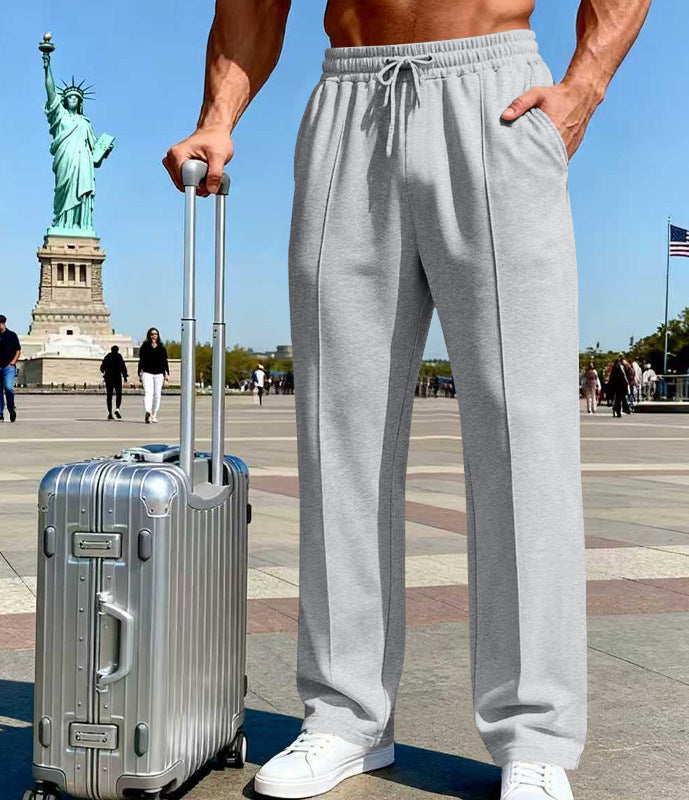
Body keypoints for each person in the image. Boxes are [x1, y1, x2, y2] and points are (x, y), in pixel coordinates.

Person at [163, 1, 651, 797]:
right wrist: (218, 117)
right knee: (338, 429)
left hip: (494, 94)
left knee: (522, 431)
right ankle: (345, 716)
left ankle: (535, 735)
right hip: (349, 100)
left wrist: (584, 85)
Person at [137, 327, 169, 424]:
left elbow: (165, 361)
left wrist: (167, 373)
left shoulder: (162, 348)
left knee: (157, 394)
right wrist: (140, 372)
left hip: (159, 373)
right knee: (148, 392)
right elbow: (141, 360)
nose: (153, 336)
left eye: (155, 334)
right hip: (147, 372)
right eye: (152, 334)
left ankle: (154, 414)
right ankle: (148, 411)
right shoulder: (145, 347)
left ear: (158, 336)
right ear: (149, 335)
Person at [0, 314, 21, 423]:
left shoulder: (12, 335)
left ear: (2, 324)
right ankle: (0, 413)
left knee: (8, 388)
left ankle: (11, 408)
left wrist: (13, 362)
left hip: (8, 367)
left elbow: (18, 350)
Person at [100, 345, 129, 420]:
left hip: (108, 378)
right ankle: (117, 408)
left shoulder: (108, 356)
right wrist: (125, 376)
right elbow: (123, 367)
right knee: (118, 394)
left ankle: (110, 413)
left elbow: (102, 367)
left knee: (109, 395)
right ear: (117, 350)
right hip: (117, 377)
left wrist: (104, 371)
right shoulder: (119, 356)